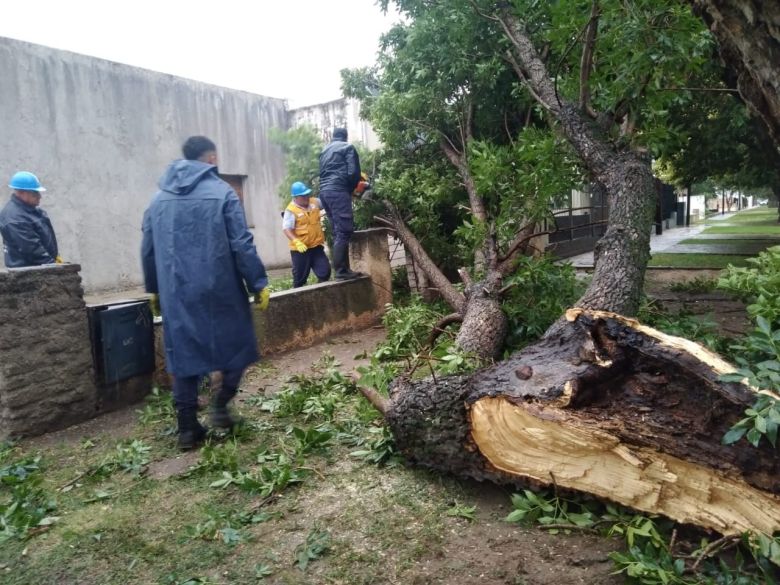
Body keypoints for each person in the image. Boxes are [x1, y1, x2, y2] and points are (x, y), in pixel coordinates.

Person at [141, 136, 270, 450]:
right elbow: (241, 243)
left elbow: (148, 249)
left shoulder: (158, 199)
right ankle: (220, 406)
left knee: (183, 354)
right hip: (220, 289)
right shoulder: (222, 193)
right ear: (211, 159)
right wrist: (257, 282)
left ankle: (187, 429)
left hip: (176, 293)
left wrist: (154, 289)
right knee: (238, 346)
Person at [318, 127, 368, 280]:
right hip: (338, 191)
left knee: (337, 231)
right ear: (345, 137)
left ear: (333, 137)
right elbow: (354, 173)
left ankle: (343, 269)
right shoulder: (347, 147)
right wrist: (351, 189)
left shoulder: (324, 151)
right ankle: (341, 271)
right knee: (344, 230)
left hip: (324, 193)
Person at [0, 171, 61, 268]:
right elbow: (33, 252)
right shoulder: (15, 219)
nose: (39, 197)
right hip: (29, 275)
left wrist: (56, 260)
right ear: (21, 192)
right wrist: (55, 267)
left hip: (42, 268)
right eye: (35, 193)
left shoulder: (31, 210)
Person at [282, 181, 331, 288]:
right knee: (300, 278)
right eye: (303, 196)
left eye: (307, 194)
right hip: (300, 250)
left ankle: (320, 294)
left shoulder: (315, 202)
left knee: (325, 272)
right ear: (295, 197)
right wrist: (296, 241)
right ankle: (297, 298)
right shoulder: (290, 210)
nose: (306, 197)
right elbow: (286, 229)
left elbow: (329, 201)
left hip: (316, 247)